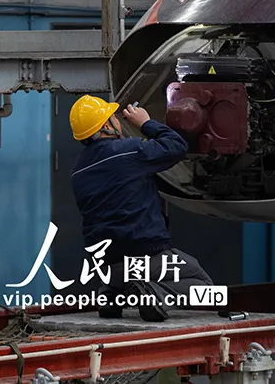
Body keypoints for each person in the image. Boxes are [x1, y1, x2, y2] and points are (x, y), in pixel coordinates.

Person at [69, 95, 213, 322]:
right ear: (107, 125)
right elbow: (176, 146)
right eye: (114, 117)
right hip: (145, 254)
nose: (118, 121)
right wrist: (146, 123)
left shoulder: (78, 171)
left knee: (123, 273)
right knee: (206, 288)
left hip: (107, 263)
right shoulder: (130, 151)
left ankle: (112, 295)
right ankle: (155, 295)